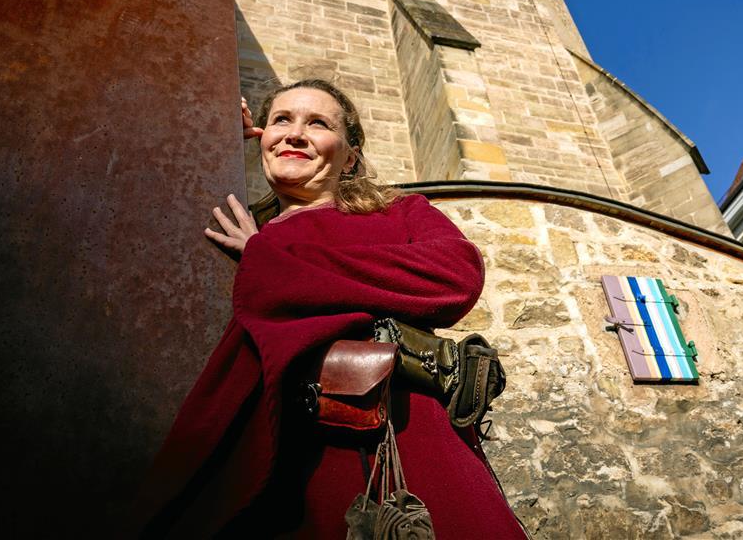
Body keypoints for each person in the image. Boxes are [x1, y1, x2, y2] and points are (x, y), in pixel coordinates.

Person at [137, 79, 525, 538]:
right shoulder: (236, 228)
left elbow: (454, 275)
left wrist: (274, 262)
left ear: (350, 155)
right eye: (281, 120)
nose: (295, 134)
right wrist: (209, 127)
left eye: (317, 123)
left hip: (398, 439)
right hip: (263, 455)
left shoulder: (397, 212)